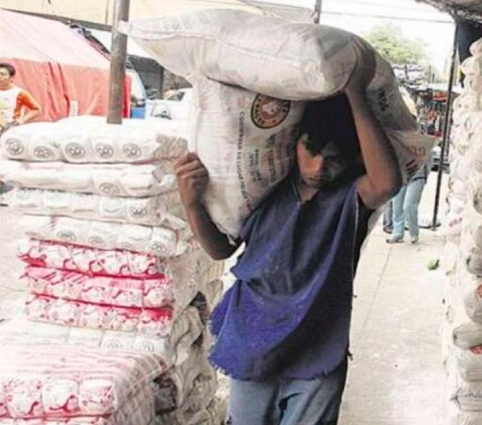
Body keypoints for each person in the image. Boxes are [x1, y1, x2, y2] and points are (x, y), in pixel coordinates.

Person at [173, 50, 401, 425]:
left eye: (334, 159)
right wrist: (192, 204)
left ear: (352, 161)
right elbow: (220, 249)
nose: (319, 167)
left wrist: (354, 94)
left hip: (318, 348)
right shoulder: (262, 191)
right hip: (253, 339)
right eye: (312, 151)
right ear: (295, 142)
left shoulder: (348, 200)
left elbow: (387, 182)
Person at [386, 158, 429, 245]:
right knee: (397, 206)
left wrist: (426, 173)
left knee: (409, 206)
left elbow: (429, 158)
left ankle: (414, 232)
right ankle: (397, 233)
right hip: (400, 175)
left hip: (417, 176)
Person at [0, 63, 42, 133]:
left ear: (11, 77)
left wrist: (22, 119)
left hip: (10, 129)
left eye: (3, 74)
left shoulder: (20, 93)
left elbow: (36, 109)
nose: (0, 76)